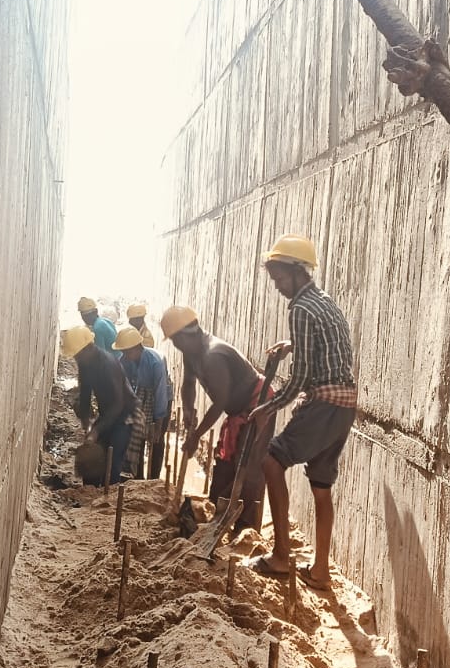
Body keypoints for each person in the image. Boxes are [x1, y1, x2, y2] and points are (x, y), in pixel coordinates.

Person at [253, 234, 357, 591]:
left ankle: (281, 556)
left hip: (323, 403)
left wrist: (269, 408)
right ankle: (320, 571)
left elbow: (299, 378)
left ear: (298, 271)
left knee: (271, 462)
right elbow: (330, 345)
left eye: (280, 278)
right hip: (344, 406)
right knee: (321, 486)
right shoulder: (324, 301)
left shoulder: (300, 308)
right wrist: (293, 344)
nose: (277, 286)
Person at [165, 306, 278, 533]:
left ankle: (245, 529)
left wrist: (196, 436)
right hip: (236, 411)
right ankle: (217, 515)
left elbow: (220, 402)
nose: (175, 345)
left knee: (248, 467)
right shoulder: (191, 353)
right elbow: (188, 384)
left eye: (175, 340)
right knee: (225, 466)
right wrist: (187, 409)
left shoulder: (213, 355)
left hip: (258, 405)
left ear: (186, 335)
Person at [62, 325, 135, 485]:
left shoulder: (108, 364)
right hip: (106, 414)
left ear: (87, 348)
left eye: (77, 355)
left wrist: (97, 430)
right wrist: (86, 422)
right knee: (91, 461)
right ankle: (91, 493)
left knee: (112, 464)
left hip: (124, 416)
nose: (76, 359)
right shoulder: (85, 363)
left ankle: (110, 494)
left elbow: (118, 404)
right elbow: (85, 393)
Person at [114, 326, 172, 479]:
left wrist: (158, 425)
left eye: (126, 351)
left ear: (136, 348)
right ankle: (137, 477)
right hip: (139, 396)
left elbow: (160, 394)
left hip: (160, 399)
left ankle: (153, 479)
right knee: (136, 436)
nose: (124, 355)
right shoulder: (124, 361)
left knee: (156, 440)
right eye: (123, 352)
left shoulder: (155, 362)